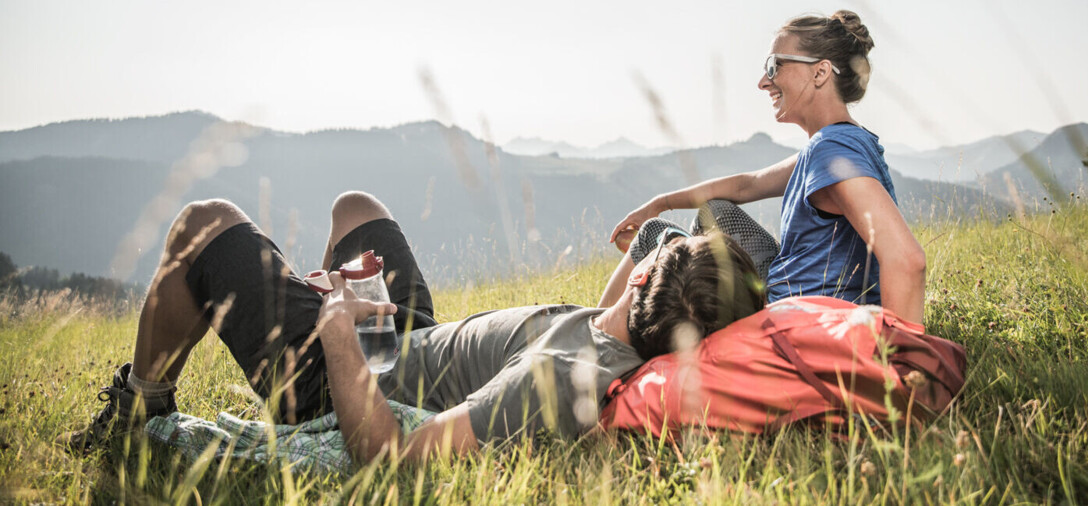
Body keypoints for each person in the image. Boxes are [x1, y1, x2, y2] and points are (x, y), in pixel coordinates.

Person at [64, 191, 763, 465]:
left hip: (350, 381)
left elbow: (388, 453)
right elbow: (667, 241)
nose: (653, 248)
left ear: (646, 284)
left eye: (657, 256)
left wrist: (337, 327)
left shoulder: (566, 373)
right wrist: (672, 237)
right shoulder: (622, 326)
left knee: (204, 224)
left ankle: (135, 407)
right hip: (409, 342)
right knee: (354, 209)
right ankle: (324, 298)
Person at [603, 10, 925, 325]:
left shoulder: (832, 150)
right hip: (789, 295)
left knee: (654, 238)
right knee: (713, 212)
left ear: (820, 72)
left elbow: (907, 260)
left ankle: (593, 338)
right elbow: (747, 185)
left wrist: (898, 364)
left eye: (774, 66)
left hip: (799, 319)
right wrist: (660, 203)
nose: (763, 82)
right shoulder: (833, 145)